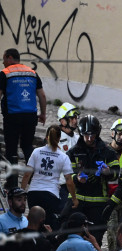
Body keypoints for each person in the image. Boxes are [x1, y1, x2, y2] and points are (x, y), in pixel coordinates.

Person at [67, 115, 120, 246]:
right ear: (81, 133)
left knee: (95, 238)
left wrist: (108, 172)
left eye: (92, 135)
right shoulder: (73, 152)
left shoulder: (108, 152)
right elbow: (66, 176)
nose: (89, 138)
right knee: (72, 235)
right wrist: (77, 178)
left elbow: (116, 173)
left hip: (98, 202)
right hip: (77, 201)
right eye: (86, 135)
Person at [0, 48, 46, 189]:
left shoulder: (5, 74)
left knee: (11, 149)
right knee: (27, 146)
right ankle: (34, 176)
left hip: (12, 116)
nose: (3, 62)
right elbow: (42, 96)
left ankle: (12, 182)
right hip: (30, 116)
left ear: (9, 57)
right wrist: (43, 114)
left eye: (3, 59)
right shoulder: (32, 73)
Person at [21, 125, 77, 230]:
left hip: (33, 193)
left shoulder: (36, 152)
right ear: (59, 138)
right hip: (51, 195)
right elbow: (69, 181)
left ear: (46, 137)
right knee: (48, 226)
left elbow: (27, 175)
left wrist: (22, 193)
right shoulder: (63, 157)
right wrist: (74, 198)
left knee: (33, 224)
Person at [105, 118, 122, 251]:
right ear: (112, 133)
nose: (121, 137)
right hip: (108, 198)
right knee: (112, 231)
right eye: (119, 134)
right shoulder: (104, 151)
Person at [56, 103, 80, 213]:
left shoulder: (78, 138)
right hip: (61, 186)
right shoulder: (55, 139)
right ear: (62, 121)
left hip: (77, 184)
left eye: (76, 118)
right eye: (72, 118)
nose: (75, 121)